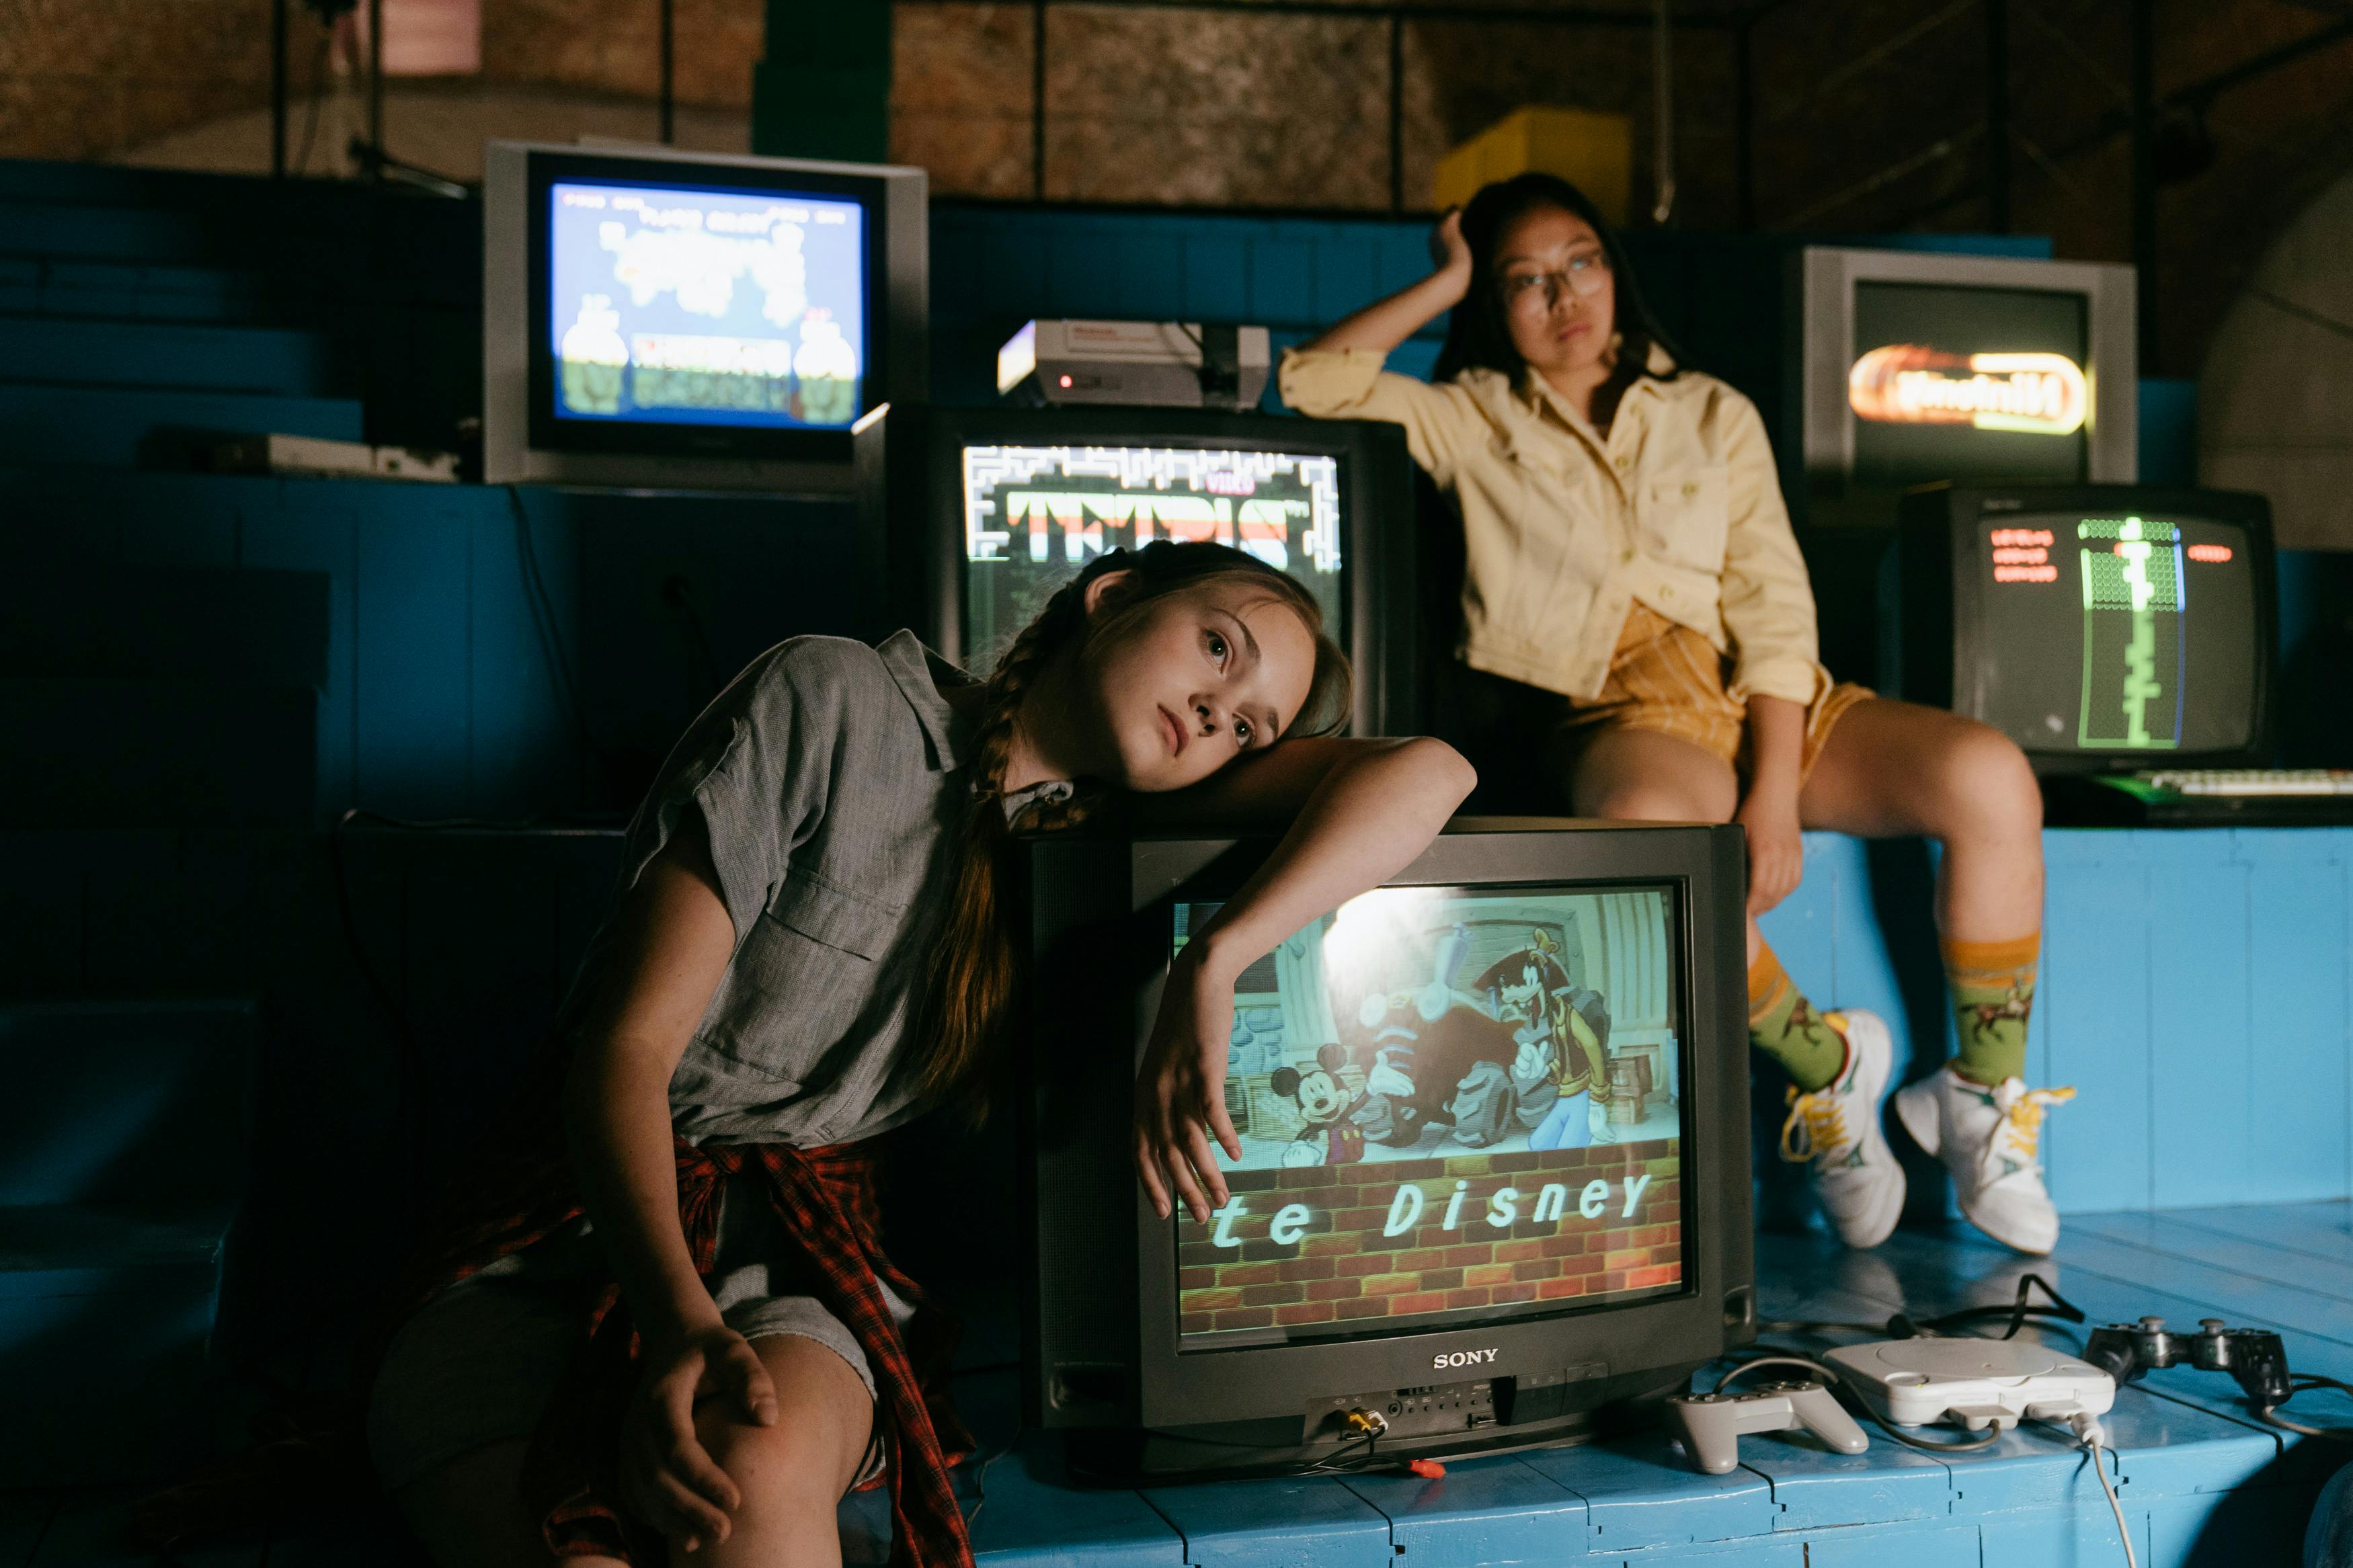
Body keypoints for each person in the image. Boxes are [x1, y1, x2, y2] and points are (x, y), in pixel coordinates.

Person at [364, 540, 1477, 1568]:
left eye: (1250, 726)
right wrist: (672, 1321)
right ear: (1113, 597)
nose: (1216, 708)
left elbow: (1433, 771)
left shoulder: (1089, 831)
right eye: (1218, 647)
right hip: (554, 1240)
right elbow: (622, 1050)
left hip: (789, 1262)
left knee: (748, 1471)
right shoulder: (832, 697)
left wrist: (1219, 957)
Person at [1280, 172, 2069, 1257]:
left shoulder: (1709, 410)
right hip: (1622, 706)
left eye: (1582, 262)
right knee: (1653, 827)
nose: (1564, 297)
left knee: (1990, 773)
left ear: (1616, 269)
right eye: (1524, 281)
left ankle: (1980, 1097)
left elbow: (1775, 607)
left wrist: (1776, 795)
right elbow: (1312, 384)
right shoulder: (1470, 419)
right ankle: (1827, 1073)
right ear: (1494, 306)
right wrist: (1448, 274)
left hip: (1769, 692)